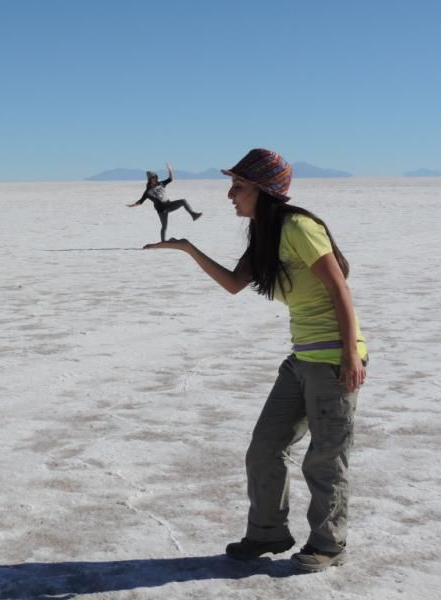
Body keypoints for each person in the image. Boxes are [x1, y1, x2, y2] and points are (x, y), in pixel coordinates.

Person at [143, 148, 367, 573]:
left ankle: (328, 545)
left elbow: (340, 288)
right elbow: (233, 284)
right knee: (265, 447)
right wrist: (187, 248)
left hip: (333, 360)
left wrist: (351, 355)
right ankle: (268, 533)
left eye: (239, 186)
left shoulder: (298, 226)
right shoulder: (265, 233)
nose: (231, 194)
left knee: (325, 458)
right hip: (302, 358)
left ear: (264, 190)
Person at [127, 162, 202, 242]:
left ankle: (193, 215)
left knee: (183, 201)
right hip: (161, 210)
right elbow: (141, 201)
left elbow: (170, 179)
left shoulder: (161, 183)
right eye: (152, 178)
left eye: (154, 177)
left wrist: (170, 170)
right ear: (149, 180)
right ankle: (163, 241)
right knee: (164, 226)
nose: (154, 179)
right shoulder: (148, 192)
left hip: (169, 205)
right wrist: (132, 205)